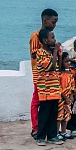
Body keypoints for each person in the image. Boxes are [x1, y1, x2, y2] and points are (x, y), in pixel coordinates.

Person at [29, 8, 59, 139]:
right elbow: (34, 54)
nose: (55, 25)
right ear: (45, 20)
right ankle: (36, 128)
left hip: (50, 77)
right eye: (53, 22)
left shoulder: (48, 35)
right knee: (37, 102)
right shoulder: (36, 36)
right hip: (40, 75)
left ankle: (47, 130)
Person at [35, 28, 64, 146]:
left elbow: (58, 67)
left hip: (54, 88)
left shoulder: (51, 53)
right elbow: (50, 67)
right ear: (45, 40)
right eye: (52, 37)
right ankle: (41, 136)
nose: (55, 39)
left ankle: (52, 135)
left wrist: (58, 54)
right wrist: (56, 51)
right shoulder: (40, 53)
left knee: (53, 113)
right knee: (44, 114)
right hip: (46, 89)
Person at [57, 52, 76, 140]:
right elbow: (58, 88)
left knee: (66, 116)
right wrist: (65, 97)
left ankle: (64, 132)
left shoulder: (70, 74)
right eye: (66, 61)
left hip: (68, 98)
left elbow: (72, 86)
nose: (68, 63)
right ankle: (56, 132)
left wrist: (71, 96)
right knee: (59, 116)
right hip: (61, 98)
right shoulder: (59, 74)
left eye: (69, 61)